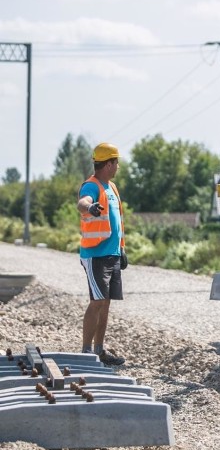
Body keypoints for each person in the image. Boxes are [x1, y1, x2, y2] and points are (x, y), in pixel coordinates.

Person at [77, 142, 127, 366]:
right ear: (108, 164)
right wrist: (89, 207)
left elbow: (117, 223)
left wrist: (122, 249)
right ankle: (87, 352)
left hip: (112, 254)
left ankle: (99, 351)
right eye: (116, 162)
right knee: (97, 302)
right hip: (96, 254)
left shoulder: (112, 188)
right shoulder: (92, 185)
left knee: (105, 303)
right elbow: (82, 202)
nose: (117, 166)